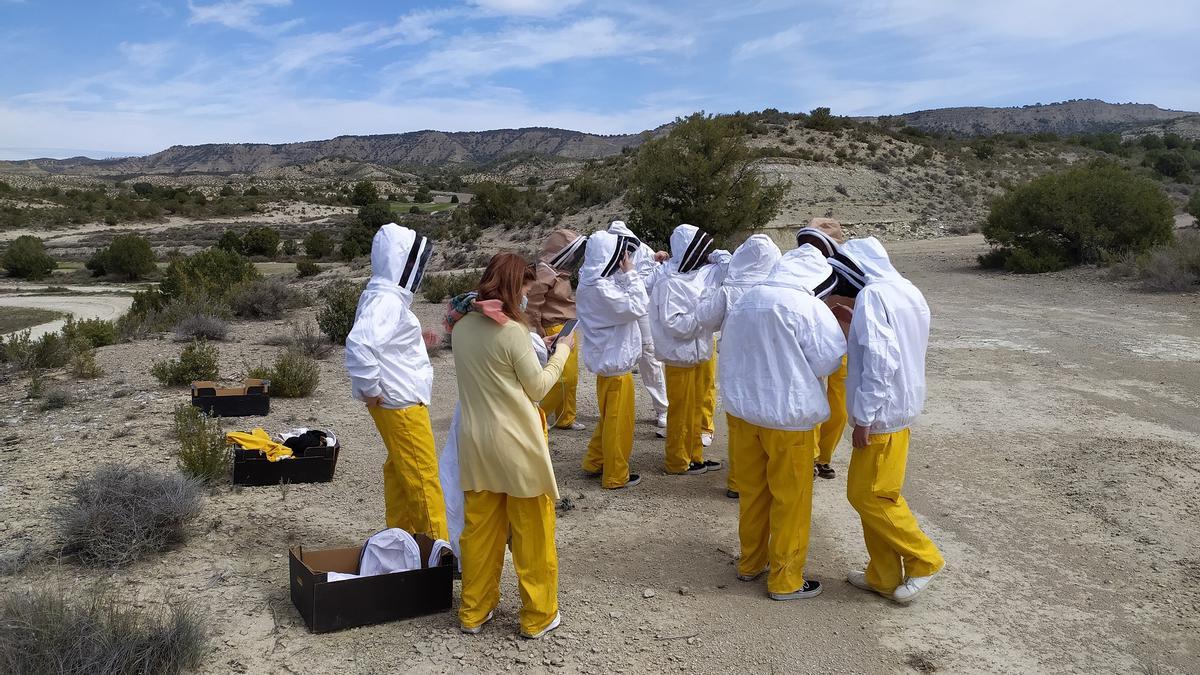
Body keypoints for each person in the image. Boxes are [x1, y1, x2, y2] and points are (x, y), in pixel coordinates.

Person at [452, 253, 573, 638]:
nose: (526, 298)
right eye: (525, 289)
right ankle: (538, 615)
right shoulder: (512, 332)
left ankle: (474, 611)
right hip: (517, 446)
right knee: (532, 533)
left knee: (480, 533)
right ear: (512, 286)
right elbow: (537, 387)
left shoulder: (461, 327)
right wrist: (564, 350)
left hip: (475, 444)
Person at [718, 244, 846, 600]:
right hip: (788, 420)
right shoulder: (808, 306)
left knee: (753, 493)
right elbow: (828, 363)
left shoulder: (747, 298)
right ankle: (786, 579)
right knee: (791, 499)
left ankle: (750, 562)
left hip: (744, 415)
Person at [831, 237, 945, 604]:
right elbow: (894, 347)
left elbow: (881, 361)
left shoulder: (874, 296)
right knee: (875, 494)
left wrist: (863, 417)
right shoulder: (906, 290)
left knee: (869, 495)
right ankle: (882, 574)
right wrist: (854, 329)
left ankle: (924, 558)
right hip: (901, 405)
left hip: (882, 414)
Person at [345, 223, 447, 541]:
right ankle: (438, 553)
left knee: (401, 470)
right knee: (422, 475)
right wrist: (370, 389)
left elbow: (382, 342)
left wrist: (416, 340)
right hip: (400, 403)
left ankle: (403, 538)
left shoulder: (381, 295)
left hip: (395, 401)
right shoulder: (386, 299)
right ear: (402, 260)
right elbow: (360, 344)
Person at [690, 234, 782, 497]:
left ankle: (738, 482)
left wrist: (706, 295)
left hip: (737, 366)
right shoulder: (780, 291)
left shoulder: (729, 290)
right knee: (769, 423)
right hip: (770, 366)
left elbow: (705, 319)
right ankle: (768, 479)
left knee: (742, 426)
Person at [649, 224, 730, 476]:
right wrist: (704, 317)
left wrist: (715, 254)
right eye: (701, 250)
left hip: (697, 353)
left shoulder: (699, 274)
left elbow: (732, 268)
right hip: (679, 357)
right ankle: (676, 460)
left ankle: (694, 456)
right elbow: (674, 324)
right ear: (688, 251)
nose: (704, 255)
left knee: (695, 410)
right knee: (680, 412)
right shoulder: (668, 281)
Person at [574, 229, 648, 489]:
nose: (623, 259)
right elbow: (638, 306)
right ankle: (616, 475)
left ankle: (595, 461)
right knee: (619, 425)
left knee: (608, 419)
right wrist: (631, 274)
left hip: (608, 366)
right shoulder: (601, 291)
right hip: (616, 369)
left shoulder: (591, 283)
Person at [796, 219, 858, 479]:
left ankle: (821, 456)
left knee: (834, 406)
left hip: (836, 344)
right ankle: (813, 456)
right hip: (818, 344)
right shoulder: (802, 266)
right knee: (816, 402)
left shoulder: (849, 268)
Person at [608, 220, 669, 434]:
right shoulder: (606, 252)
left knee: (649, 355)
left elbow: (653, 277)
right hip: (617, 306)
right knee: (617, 353)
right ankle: (614, 412)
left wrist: (653, 260)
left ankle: (662, 409)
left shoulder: (643, 250)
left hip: (641, 307)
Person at [526, 229, 587, 431]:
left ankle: (566, 417)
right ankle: (534, 418)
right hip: (553, 326)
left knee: (571, 378)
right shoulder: (545, 271)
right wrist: (540, 329)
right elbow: (533, 303)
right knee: (563, 377)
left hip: (567, 324)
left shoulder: (558, 272)